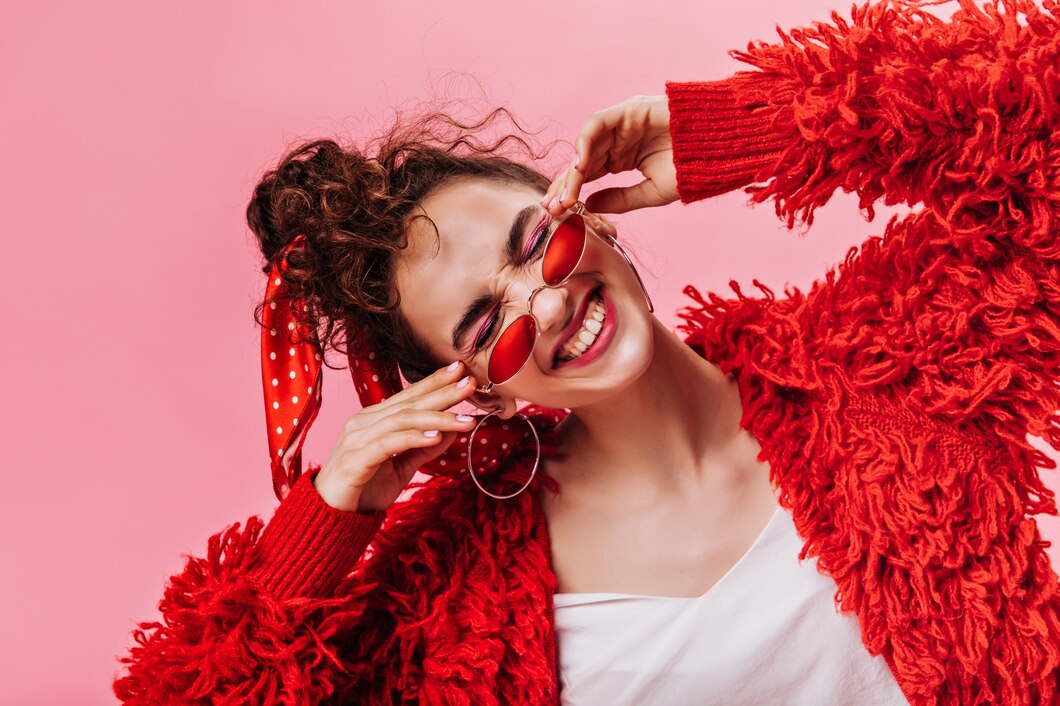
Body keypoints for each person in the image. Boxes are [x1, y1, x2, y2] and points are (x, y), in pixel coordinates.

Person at [112, 0, 1060, 703]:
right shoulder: (455, 592)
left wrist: (760, 127)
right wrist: (330, 524)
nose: (547, 300)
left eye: (535, 241)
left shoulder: (877, 364)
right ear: (471, 385)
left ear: (591, 214)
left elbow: (1040, 114)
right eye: (487, 324)